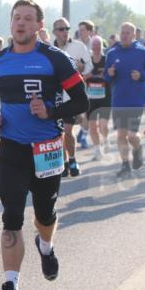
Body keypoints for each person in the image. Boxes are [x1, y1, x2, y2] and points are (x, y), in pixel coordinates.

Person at [0, 0, 88, 290]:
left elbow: (81, 101)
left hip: (47, 148)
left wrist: (51, 111)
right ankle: (10, 286)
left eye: (28, 18)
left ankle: (46, 245)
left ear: (39, 25)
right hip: (11, 148)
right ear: (10, 23)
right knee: (11, 215)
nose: (21, 23)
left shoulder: (55, 59)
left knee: (45, 213)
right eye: (16, 17)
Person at [106, 23, 145, 179]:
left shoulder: (142, 51)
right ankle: (125, 165)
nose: (124, 35)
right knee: (121, 134)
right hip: (118, 99)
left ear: (134, 35)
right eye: (122, 32)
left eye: (128, 33)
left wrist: (141, 75)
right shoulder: (112, 52)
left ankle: (138, 147)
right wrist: (110, 73)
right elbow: (106, 77)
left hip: (136, 99)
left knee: (131, 135)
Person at [52, 18, 91, 177]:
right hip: (55, 97)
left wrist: (82, 68)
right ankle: (64, 162)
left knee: (67, 130)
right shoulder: (50, 49)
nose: (65, 32)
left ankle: (73, 159)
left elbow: (89, 65)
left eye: (67, 28)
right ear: (54, 32)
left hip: (70, 97)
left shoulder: (78, 46)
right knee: (58, 133)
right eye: (61, 29)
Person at [84, 36, 112, 160]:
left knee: (103, 125)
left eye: (98, 45)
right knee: (92, 126)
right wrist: (87, 76)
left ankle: (105, 139)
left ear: (102, 46)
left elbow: (112, 76)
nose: (96, 47)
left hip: (105, 97)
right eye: (94, 45)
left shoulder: (107, 60)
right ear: (91, 46)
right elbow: (80, 77)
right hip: (91, 98)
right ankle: (97, 150)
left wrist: (106, 75)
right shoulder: (87, 61)